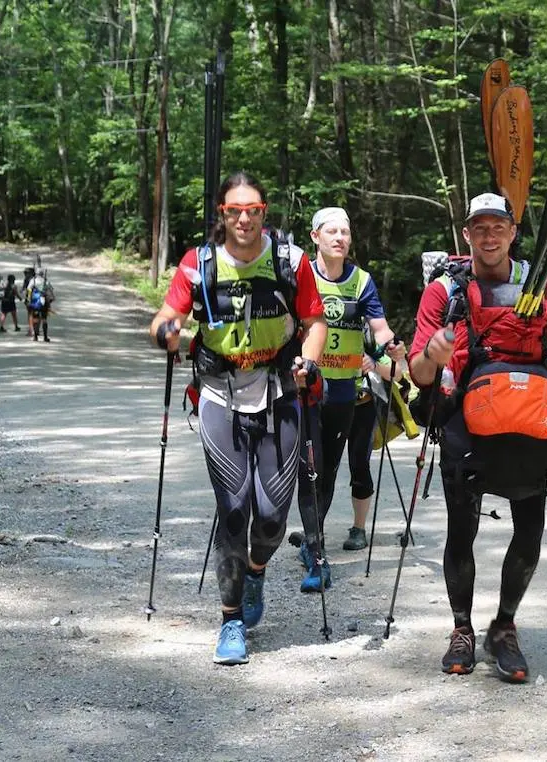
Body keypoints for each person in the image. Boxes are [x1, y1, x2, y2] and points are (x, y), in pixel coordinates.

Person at [408, 192, 547, 683]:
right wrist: (434, 351)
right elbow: (420, 373)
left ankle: (504, 627)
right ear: (466, 234)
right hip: (466, 423)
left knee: (530, 531)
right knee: (461, 531)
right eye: (479, 227)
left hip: (531, 420)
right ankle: (461, 630)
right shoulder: (444, 292)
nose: (489, 235)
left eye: (499, 227)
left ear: (513, 233)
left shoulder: (541, 288)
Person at [149, 172, 327, 666]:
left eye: (252, 209)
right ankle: (230, 621)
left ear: (264, 212)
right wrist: (167, 330)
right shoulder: (198, 264)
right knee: (234, 509)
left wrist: (308, 362)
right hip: (219, 394)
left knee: (271, 519)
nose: (243, 218)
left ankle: (255, 570)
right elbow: (167, 318)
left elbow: (314, 323)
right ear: (222, 215)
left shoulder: (291, 262)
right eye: (234, 210)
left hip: (279, 392)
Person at [295, 206, 405, 592]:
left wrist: (391, 346)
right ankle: (314, 543)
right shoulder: (300, 274)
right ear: (316, 237)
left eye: (346, 231)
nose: (340, 238)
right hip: (305, 389)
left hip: (342, 391)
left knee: (326, 471)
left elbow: (379, 326)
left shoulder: (361, 281)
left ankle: (314, 542)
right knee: (309, 469)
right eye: (332, 231)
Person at [345, 330, 404, 551]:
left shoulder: (369, 328)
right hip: (327, 401)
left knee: (359, 464)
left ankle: (358, 529)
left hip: (363, 403)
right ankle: (315, 530)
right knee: (320, 467)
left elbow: (397, 373)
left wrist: (373, 364)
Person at [26, 270, 54, 341]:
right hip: (44, 302)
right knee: (44, 319)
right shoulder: (46, 281)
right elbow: (50, 290)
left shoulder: (33, 281)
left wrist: (28, 299)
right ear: (42, 274)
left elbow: (29, 289)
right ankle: (45, 337)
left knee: (35, 318)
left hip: (35, 302)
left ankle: (35, 337)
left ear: (36, 274)